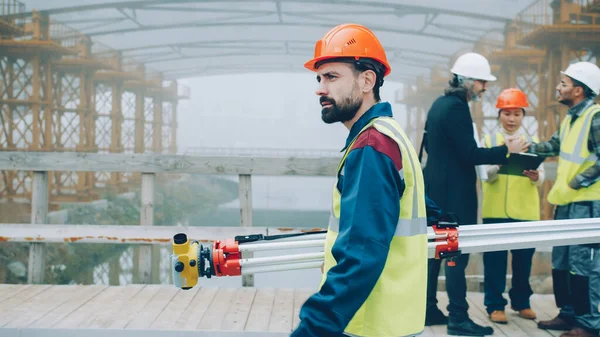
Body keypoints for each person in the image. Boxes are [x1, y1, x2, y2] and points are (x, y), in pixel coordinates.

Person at [291, 23, 430, 337]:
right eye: (319, 77)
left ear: (367, 80)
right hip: (393, 319)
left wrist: (315, 327)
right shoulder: (389, 134)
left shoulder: (372, 147)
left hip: (369, 323)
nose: (320, 88)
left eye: (332, 77)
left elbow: (361, 251)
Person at [423, 52, 529, 336]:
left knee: (435, 252)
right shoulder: (457, 108)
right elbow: (469, 154)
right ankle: (458, 317)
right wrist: (507, 150)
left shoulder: (438, 105)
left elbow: (432, 148)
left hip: (435, 191)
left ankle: (428, 308)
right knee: (457, 254)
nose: (484, 88)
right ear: (468, 81)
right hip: (455, 196)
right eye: (482, 82)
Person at [531, 61, 600, 337]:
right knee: (561, 261)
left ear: (579, 90)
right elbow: (554, 146)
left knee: (583, 265)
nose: (558, 88)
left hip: (587, 202)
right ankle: (568, 314)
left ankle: (588, 323)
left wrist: (576, 181)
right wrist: (526, 149)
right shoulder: (572, 116)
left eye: (564, 84)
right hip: (567, 202)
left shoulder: (595, 116)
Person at [480, 88, 544, 324]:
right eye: (507, 113)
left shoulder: (533, 143)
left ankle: (522, 302)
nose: (511, 119)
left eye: (516, 114)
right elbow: (484, 174)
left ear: (523, 116)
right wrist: (500, 162)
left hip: (525, 212)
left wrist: (536, 176)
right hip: (495, 211)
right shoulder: (488, 142)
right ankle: (495, 305)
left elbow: (543, 176)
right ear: (499, 115)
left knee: (523, 261)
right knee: (494, 260)